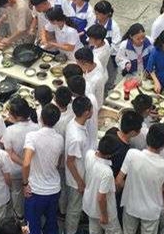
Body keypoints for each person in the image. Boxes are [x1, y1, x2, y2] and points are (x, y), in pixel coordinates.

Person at [116, 123, 164, 234]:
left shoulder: (132, 154)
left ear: (148, 138)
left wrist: (131, 186)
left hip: (131, 206)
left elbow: (119, 181)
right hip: (151, 212)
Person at [22, 103, 64, 234]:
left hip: (36, 190)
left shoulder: (32, 137)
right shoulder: (59, 139)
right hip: (54, 188)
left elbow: (26, 163)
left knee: (32, 225)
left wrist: (25, 184)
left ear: (41, 118)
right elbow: (58, 162)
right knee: (51, 222)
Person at [2, 97, 40, 215]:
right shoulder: (36, 127)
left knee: (17, 192)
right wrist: (27, 163)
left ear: (16, 116)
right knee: (31, 190)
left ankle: (19, 214)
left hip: (16, 169)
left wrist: (23, 162)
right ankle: (31, 212)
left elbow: (10, 153)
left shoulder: (10, 131)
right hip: (32, 167)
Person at [64, 96, 93, 234]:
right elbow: (70, 162)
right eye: (91, 108)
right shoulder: (77, 138)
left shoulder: (74, 123)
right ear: (87, 113)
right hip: (77, 177)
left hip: (81, 171)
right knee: (74, 209)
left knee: (76, 206)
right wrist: (80, 182)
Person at [82, 134, 121, 234]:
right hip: (105, 211)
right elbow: (101, 197)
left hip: (90, 204)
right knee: (114, 231)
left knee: (94, 231)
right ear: (109, 155)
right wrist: (104, 215)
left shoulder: (89, 154)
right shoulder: (107, 172)